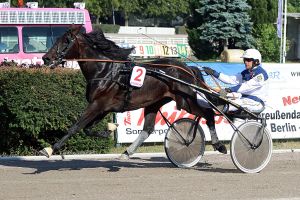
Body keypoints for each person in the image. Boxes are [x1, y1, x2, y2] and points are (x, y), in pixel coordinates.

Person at [201, 49, 269, 113]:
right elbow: (230, 79)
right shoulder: (246, 72)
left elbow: (246, 87)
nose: (245, 62)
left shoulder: (261, 75)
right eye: (244, 60)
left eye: (248, 60)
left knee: (230, 104)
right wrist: (214, 73)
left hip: (257, 102)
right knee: (217, 97)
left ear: (256, 61)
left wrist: (229, 90)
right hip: (244, 99)